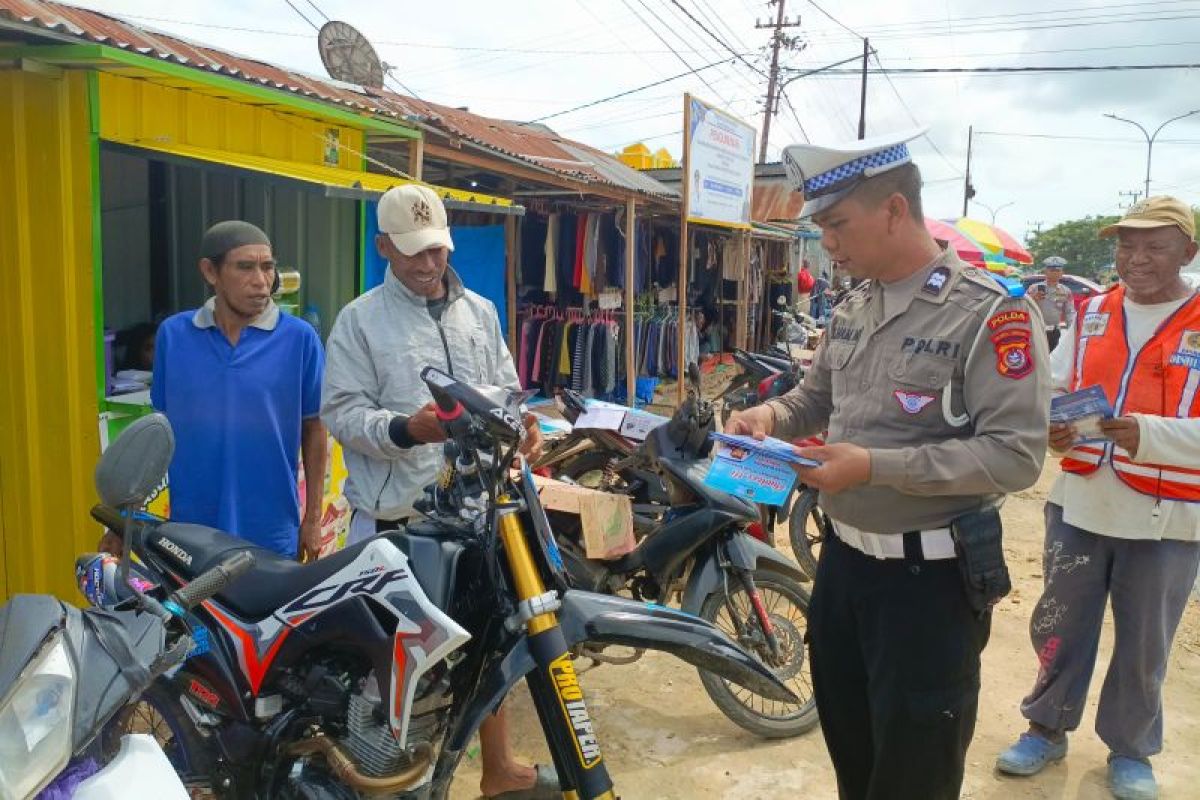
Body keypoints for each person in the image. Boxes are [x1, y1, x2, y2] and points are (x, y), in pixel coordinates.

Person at [728, 129, 1050, 800]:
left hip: (927, 584)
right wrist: (770, 418)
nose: (830, 244)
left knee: (915, 773)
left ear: (895, 210)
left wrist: (874, 467)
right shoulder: (853, 306)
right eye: (822, 227)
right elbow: (816, 398)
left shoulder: (989, 316)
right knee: (855, 753)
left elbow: (1016, 455)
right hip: (843, 568)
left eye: (839, 225)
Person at [321, 184, 554, 800]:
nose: (429, 266)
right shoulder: (359, 320)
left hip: (476, 513)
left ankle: (497, 767)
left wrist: (523, 429)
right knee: (396, 666)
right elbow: (342, 413)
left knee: (492, 641)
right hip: (397, 520)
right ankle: (397, 783)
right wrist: (405, 428)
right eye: (414, 254)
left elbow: (506, 389)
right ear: (384, 249)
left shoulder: (479, 311)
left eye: (437, 251)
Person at [995, 196, 1200, 800]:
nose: (1135, 259)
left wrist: (1151, 433)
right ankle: (1045, 726)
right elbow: (1055, 386)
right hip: (1082, 500)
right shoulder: (1091, 312)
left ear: (1188, 252)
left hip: (1168, 519)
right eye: (1126, 245)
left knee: (1145, 643)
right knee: (1060, 623)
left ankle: (1131, 750)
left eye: (1155, 246)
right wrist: (1051, 425)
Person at [150, 221, 327, 560]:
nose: (262, 282)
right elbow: (157, 433)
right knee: (192, 614)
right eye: (245, 267)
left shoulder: (300, 339)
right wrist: (123, 518)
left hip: (271, 530)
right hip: (191, 531)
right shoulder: (173, 336)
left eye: (268, 267)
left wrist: (312, 519)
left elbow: (314, 429)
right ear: (210, 271)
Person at [1030, 255, 1075, 350]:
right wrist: (1032, 299)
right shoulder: (1034, 288)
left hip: (1054, 332)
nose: (1055, 273)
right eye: (1052, 270)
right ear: (1046, 272)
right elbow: (1024, 305)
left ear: (1062, 273)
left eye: (1058, 271)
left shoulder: (1065, 291)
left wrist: (1073, 330)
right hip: (1037, 330)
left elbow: (1069, 312)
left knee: (1051, 358)